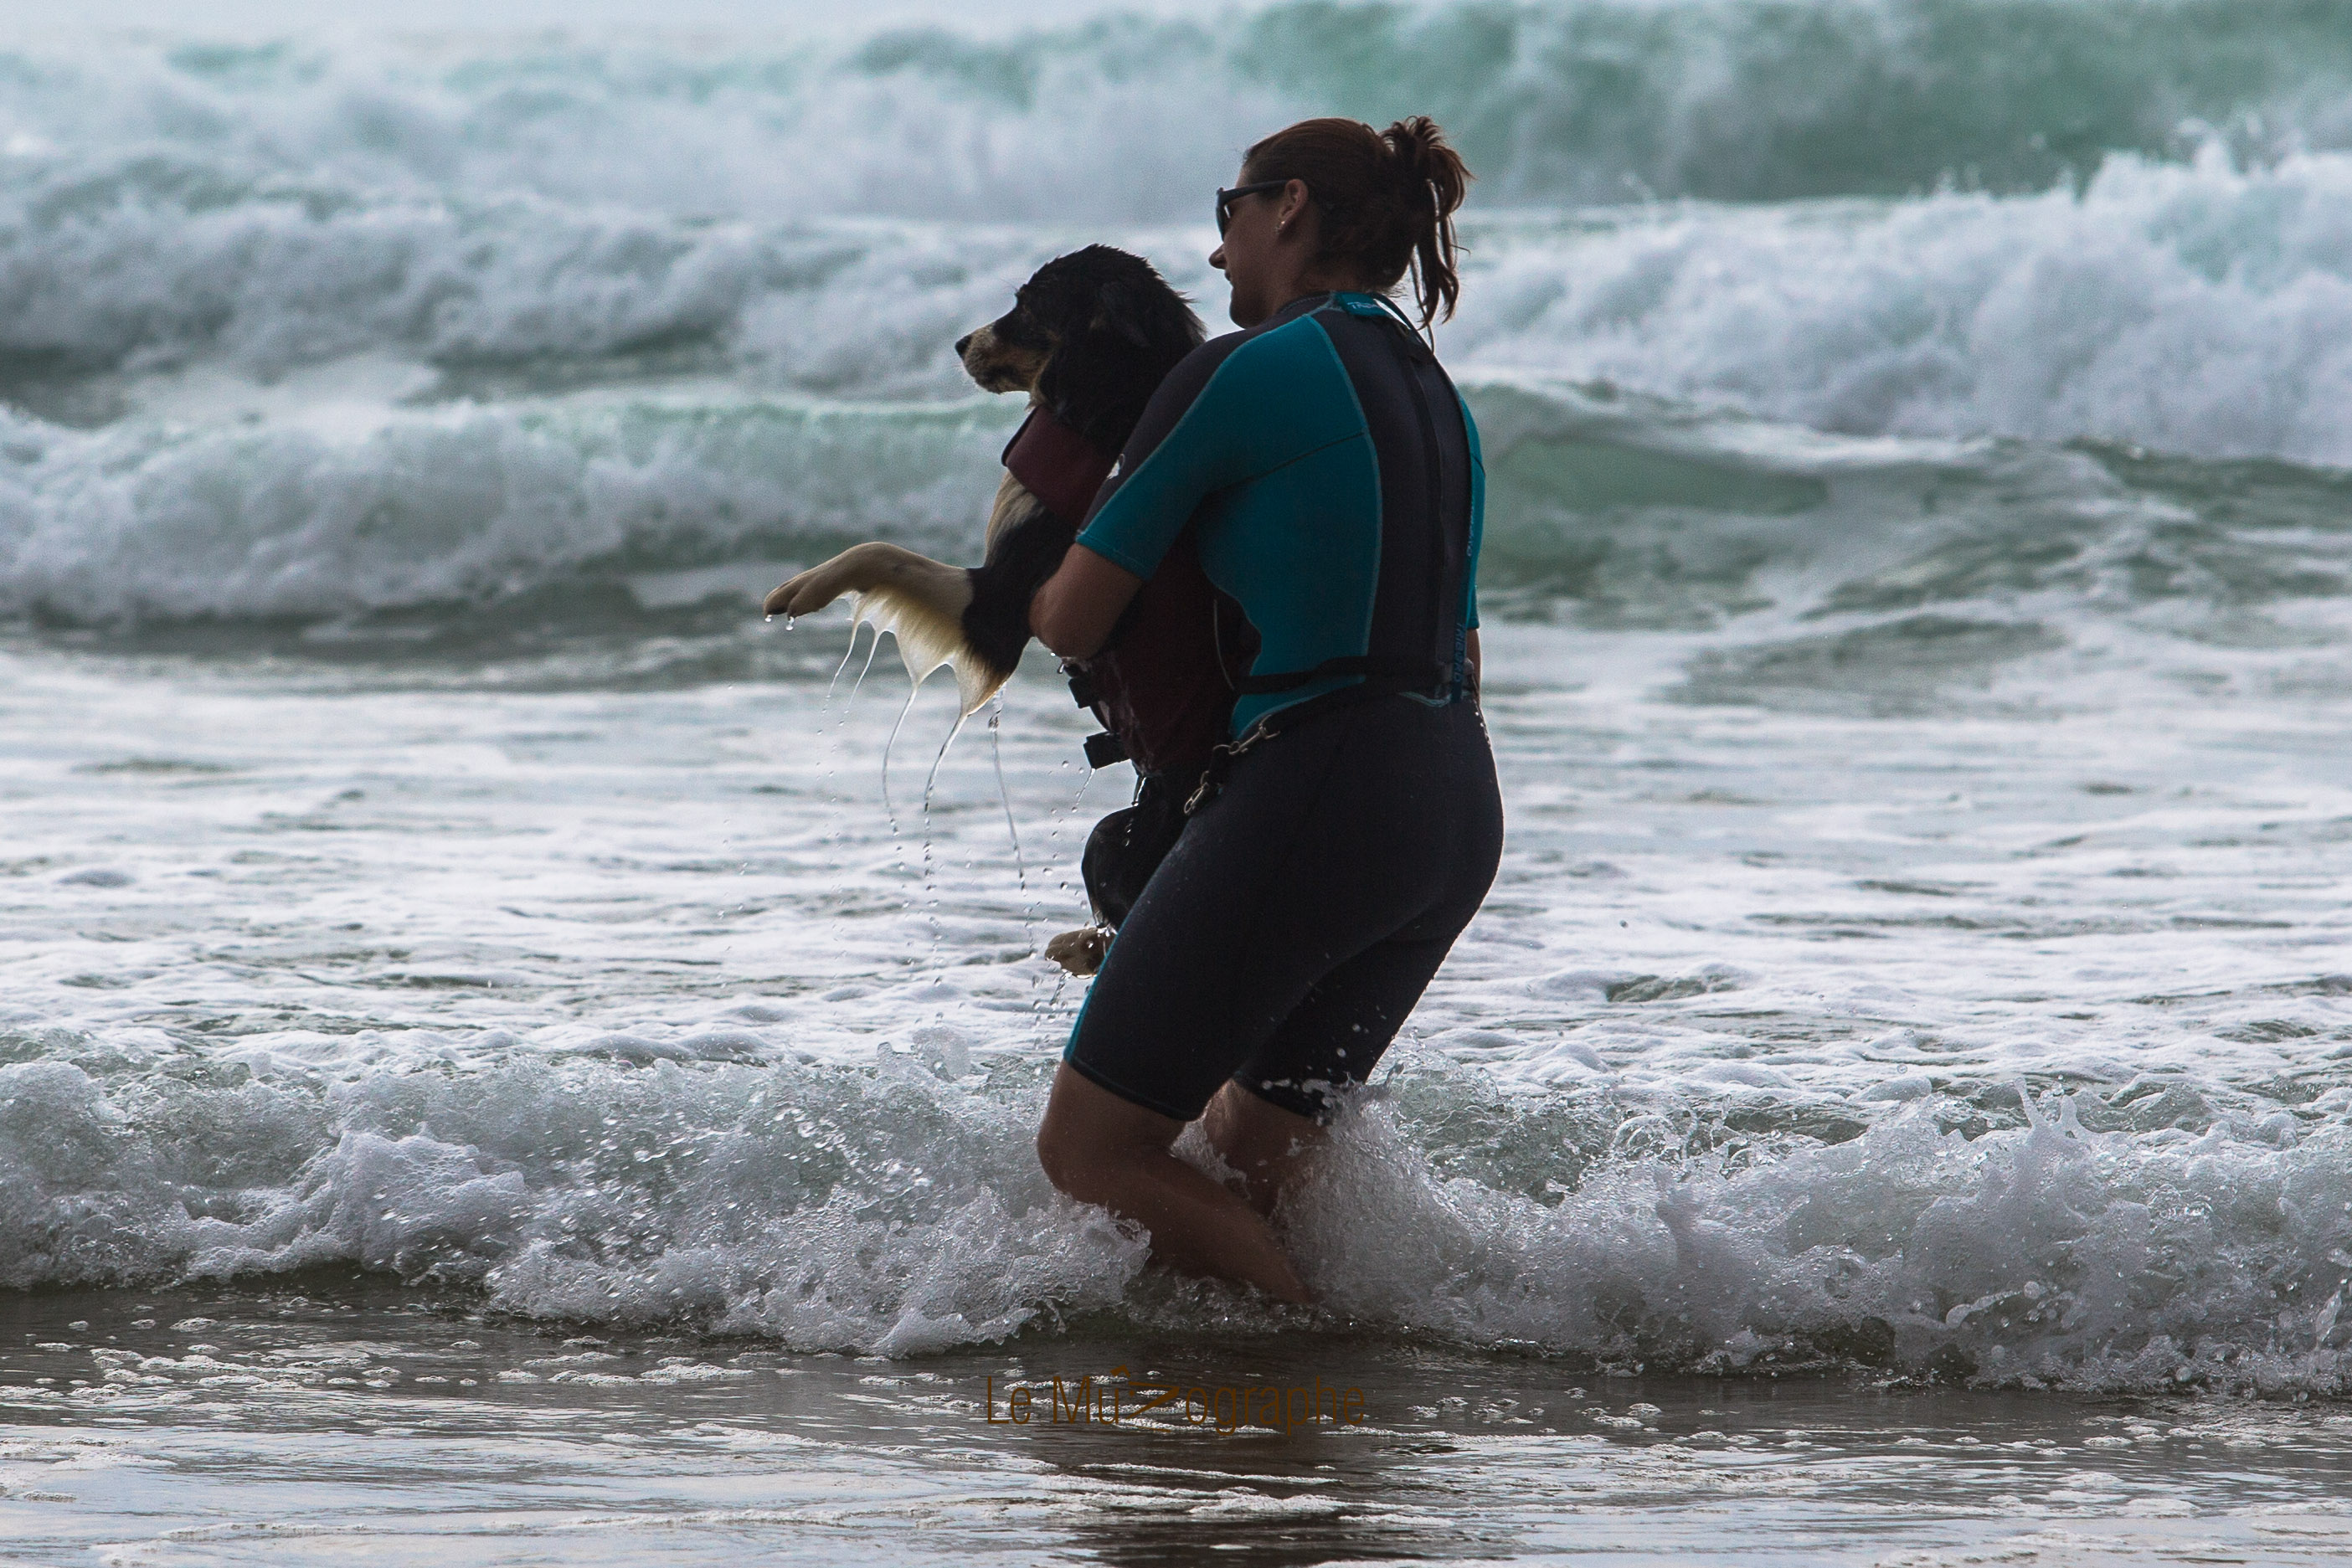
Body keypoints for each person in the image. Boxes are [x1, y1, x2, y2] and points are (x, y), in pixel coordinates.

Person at [1026, 116, 1503, 1303]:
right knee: (1254, 1146)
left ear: (1287, 207)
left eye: (1227, 211)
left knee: (1092, 1149)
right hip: (1453, 805)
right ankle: (1362, 1361)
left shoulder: (1242, 369)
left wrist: (1025, 567)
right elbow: (1462, 644)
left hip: (1325, 788)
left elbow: (1072, 619)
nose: (1214, 249)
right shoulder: (1435, 394)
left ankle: (1312, 1373)